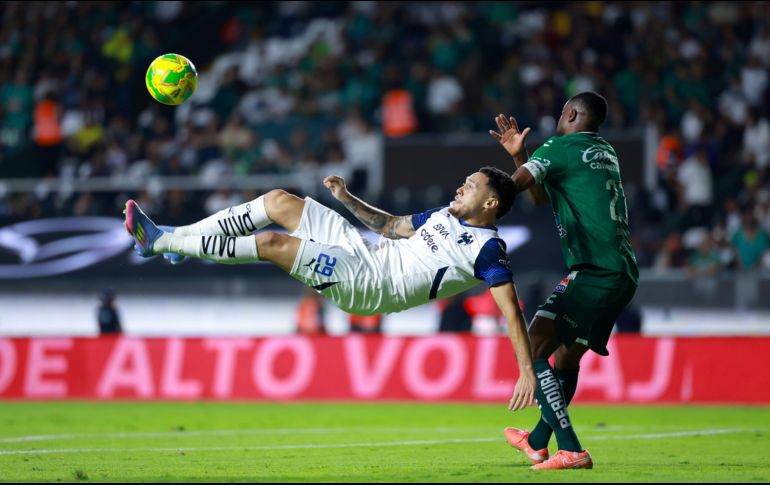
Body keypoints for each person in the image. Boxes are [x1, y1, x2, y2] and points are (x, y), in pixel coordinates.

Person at [123, 166, 537, 410]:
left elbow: (511, 312)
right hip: (364, 251)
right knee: (279, 201)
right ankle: (180, 241)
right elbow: (391, 227)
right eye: (465, 180)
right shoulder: (443, 215)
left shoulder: (487, 250)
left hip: (370, 285)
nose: (461, 186)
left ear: (490, 204)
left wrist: (525, 369)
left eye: (472, 185)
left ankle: (159, 242)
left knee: (272, 245)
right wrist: (348, 199)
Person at [488, 91, 639, 470]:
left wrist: (475, 201)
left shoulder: (561, 146)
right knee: (566, 357)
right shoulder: (603, 151)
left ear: (571, 113)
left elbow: (512, 188)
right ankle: (537, 442)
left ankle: (571, 448)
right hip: (621, 272)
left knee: (535, 345)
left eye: (561, 112)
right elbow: (541, 199)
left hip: (592, 269)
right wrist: (521, 156)